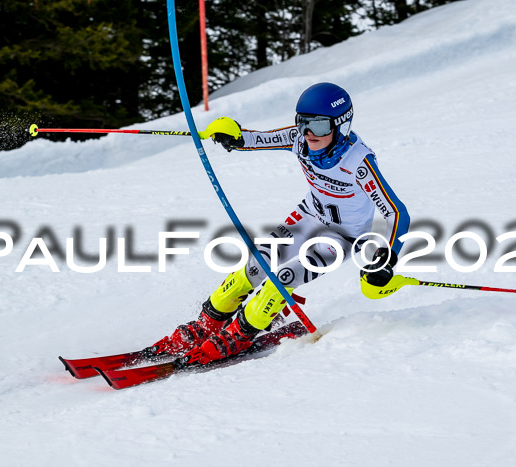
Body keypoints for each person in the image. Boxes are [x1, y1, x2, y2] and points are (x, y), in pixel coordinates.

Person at [151, 82, 410, 365]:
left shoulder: (359, 161)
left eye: (320, 126)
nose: (309, 133)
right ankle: (206, 325)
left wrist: (387, 257)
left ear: (341, 125)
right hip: (307, 218)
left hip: (341, 237)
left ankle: (240, 334)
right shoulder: (299, 139)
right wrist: (232, 135)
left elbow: (396, 212)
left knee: (282, 279)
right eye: (303, 123)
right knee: (256, 265)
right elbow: (255, 139)